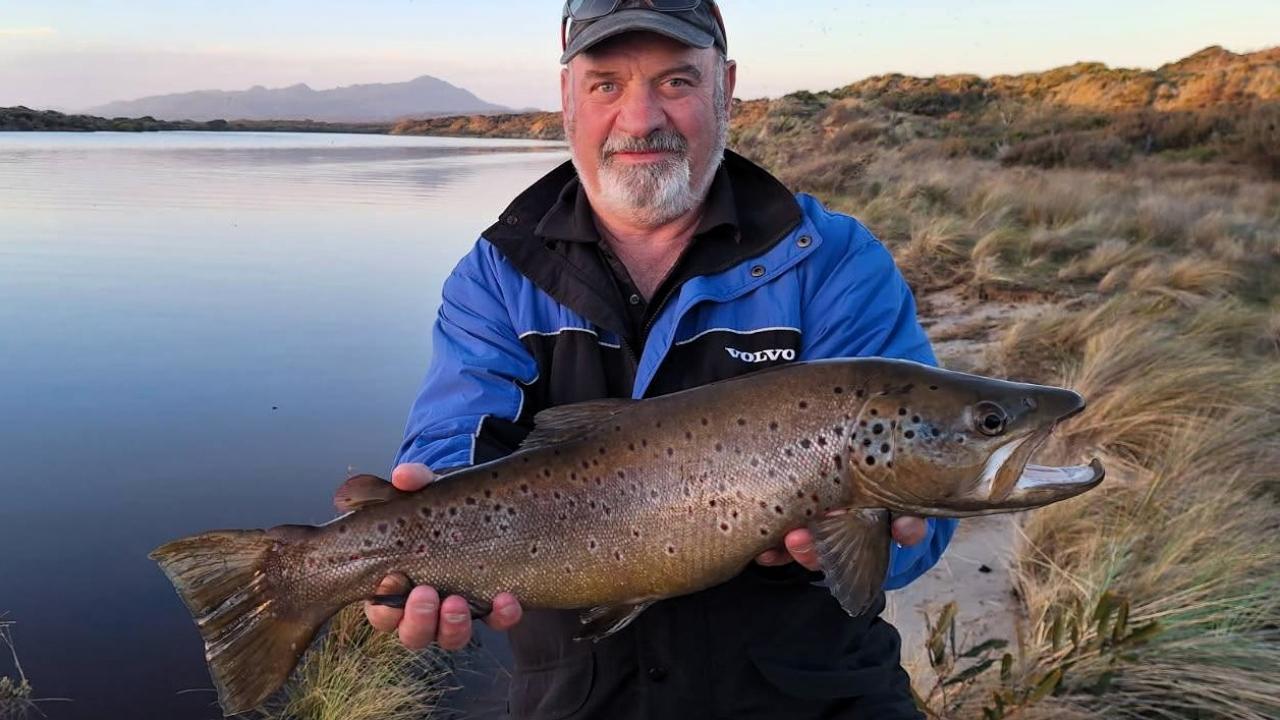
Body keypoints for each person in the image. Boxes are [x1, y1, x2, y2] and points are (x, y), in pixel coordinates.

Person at [366, 1, 957, 717]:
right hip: (578, 698)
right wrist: (418, 544)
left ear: (725, 87)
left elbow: (924, 525)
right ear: (566, 97)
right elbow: (452, 446)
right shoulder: (497, 274)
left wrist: (873, 542)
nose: (641, 118)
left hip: (815, 696)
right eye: (607, 84)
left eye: (676, 82)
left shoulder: (833, 262)